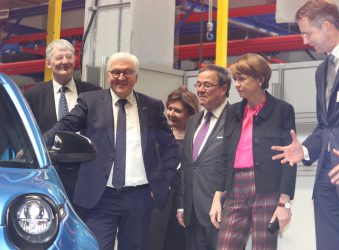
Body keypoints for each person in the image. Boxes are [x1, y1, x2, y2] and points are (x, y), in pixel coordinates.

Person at [271, 1, 339, 250]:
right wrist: (306, 151)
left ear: (328, 26)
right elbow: (325, 126)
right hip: (326, 182)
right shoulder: (322, 70)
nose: (305, 41)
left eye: (308, 33)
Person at [44, 52, 179, 250]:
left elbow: (170, 148)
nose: (121, 78)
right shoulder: (89, 102)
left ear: (136, 76)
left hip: (140, 198)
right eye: (115, 72)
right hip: (100, 197)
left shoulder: (152, 106)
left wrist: (164, 182)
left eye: (127, 72)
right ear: (108, 75)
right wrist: (38, 143)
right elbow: (65, 125)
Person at [209, 53, 296, 250]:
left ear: (259, 78)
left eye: (241, 78)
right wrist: (217, 197)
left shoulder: (282, 110)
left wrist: (284, 204)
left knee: (263, 246)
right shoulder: (232, 112)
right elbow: (225, 157)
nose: (237, 84)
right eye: (234, 79)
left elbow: (290, 159)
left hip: (267, 188)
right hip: (236, 188)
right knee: (225, 245)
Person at [24, 39, 100, 201]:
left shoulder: (93, 92)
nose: (65, 61)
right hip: (49, 171)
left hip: (86, 169)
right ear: (48, 63)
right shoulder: (33, 95)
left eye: (69, 57)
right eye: (59, 58)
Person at [177, 64, 231, 250]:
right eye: (198, 84)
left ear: (224, 89)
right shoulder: (193, 121)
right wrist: (182, 205)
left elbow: (232, 165)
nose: (200, 89)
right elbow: (187, 166)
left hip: (222, 210)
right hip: (192, 211)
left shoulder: (236, 118)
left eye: (207, 85)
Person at [149, 86, 199, 250]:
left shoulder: (198, 141)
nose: (170, 113)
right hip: (158, 203)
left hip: (186, 203)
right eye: (169, 108)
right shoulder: (158, 136)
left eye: (177, 110)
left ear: (190, 113)